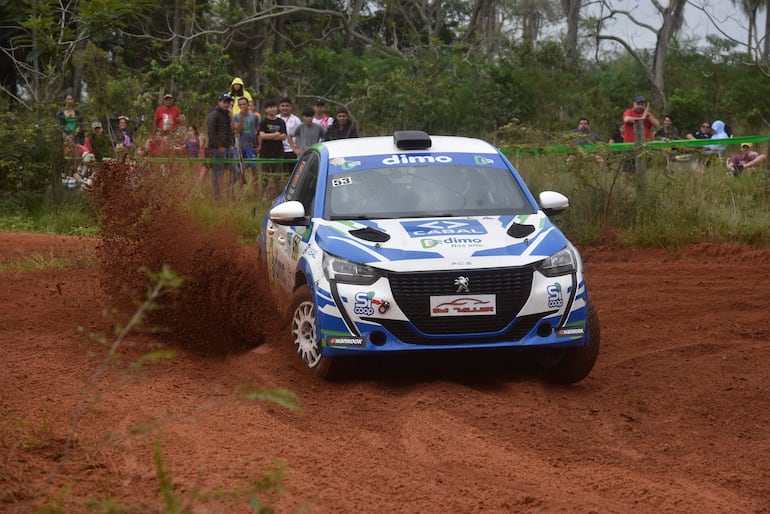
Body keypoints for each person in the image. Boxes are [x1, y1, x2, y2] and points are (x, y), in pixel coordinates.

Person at [206, 93, 236, 199]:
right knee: (217, 172)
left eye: (228, 102)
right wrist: (218, 146)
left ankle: (229, 193)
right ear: (219, 102)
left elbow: (230, 131)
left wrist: (232, 143)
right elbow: (211, 131)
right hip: (217, 149)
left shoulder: (227, 115)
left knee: (235, 171)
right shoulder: (214, 115)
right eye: (224, 102)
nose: (226, 104)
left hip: (228, 147)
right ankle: (217, 195)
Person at [258, 99, 287, 197]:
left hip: (278, 152)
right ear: (266, 109)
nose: (273, 109)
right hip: (266, 153)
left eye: (274, 107)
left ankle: (279, 195)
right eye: (270, 107)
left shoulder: (281, 121)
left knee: (278, 176)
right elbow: (262, 136)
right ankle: (262, 196)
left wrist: (269, 136)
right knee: (264, 176)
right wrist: (275, 134)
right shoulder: (263, 122)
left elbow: (283, 136)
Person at [232, 96, 260, 184]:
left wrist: (259, 145)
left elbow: (258, 131)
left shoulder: (254, 117)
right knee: (240, 169)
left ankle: (255, 189)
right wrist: (241, 116)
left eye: (244, 104)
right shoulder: (236, 117)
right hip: (240, 146)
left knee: (253, 169)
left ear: (248, 105)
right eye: (240, 105)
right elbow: (238, 130)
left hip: (250, 146)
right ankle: (241, 190)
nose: (243, 106)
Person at [278, 97, 302, 172]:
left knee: (292, 173)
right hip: (278, 150)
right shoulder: (276, 118)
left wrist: (297, 148)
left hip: (291, 150)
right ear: (279, 107)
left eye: (287, 106)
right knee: (279, 173)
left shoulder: (296, 120)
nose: (285, 108)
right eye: (283, 106)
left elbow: (299, 135)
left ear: (291, 107)